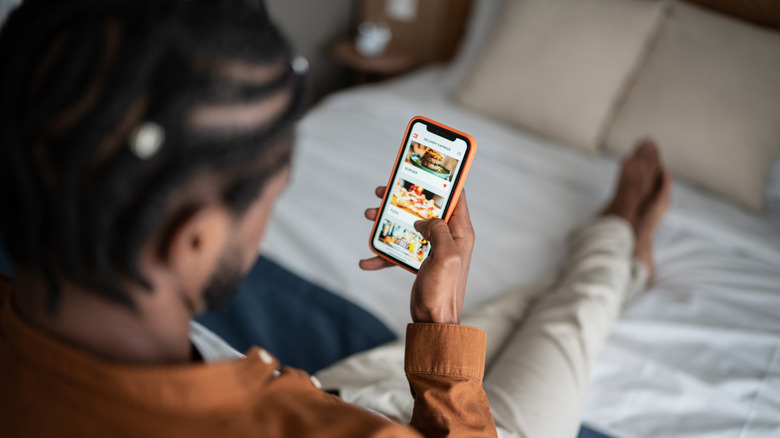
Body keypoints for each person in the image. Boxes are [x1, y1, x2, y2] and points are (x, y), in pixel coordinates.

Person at [0, 1, 671, 437]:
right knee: (565, 323)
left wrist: (442, 326)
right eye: (272, 195)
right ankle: (617, 248)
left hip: (328, 391)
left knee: (505, 319)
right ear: (195, 240)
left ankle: (607, 254)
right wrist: (437, 327)